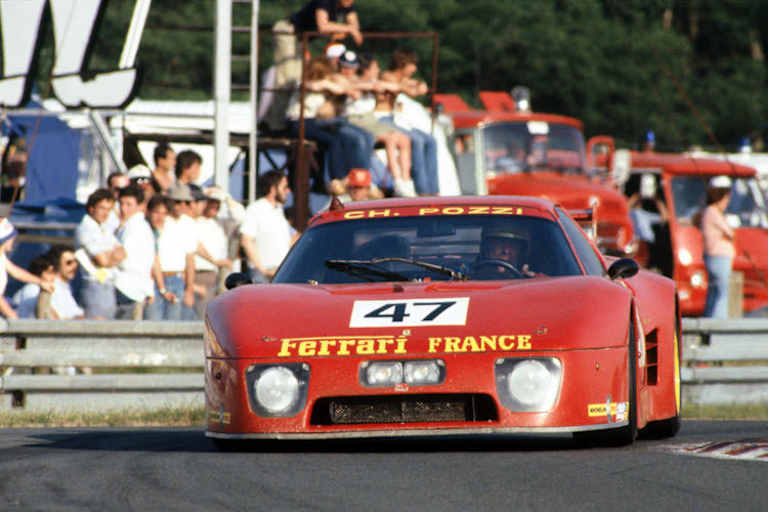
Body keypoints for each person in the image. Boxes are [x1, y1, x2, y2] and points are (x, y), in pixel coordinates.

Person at [336, 51, 415, 196]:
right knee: (390, 139)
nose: (349, 71)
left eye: (352, 67)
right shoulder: (344, 79)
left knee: (404, 139)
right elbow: (356, 86)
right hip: (355, 119)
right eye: (346, 67)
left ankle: (406, 180)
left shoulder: (371, 82)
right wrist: (374, 86)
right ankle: (397, 182)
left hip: (370, 118)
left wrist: (407, 87)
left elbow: (382, 85)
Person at [378, 49, 439, 196]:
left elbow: (416, 84)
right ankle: (421, 190)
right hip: (381, 118)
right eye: (412, 65)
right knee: (417, 141)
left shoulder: (401, 79)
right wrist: (415, 88)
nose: (414, 69)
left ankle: (433, 190)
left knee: (430, 141)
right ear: (402, 64)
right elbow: (407, 89)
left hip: (393, 119)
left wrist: (420, 85)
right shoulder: (387, 76)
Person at [147, 183, 197, 320]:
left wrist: (189, 289)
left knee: (173, 326)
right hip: (153, 280)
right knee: (152, 325)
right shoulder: (159, 220)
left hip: (177, 279)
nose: (182, 205)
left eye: (186, 202)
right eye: (177, 201)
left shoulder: (189, 224)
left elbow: (190, 259)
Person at [74, 188, 126, 319]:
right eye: (102, 208)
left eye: (109, 209)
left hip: (109, 285)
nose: (106, 213)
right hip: (95, 286)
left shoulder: (104, 228)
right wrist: (110, 256)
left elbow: (123, 253)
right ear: (91, 208)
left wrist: (109, 257)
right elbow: (102, 261)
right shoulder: (85, 229)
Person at [240, 171, 299, 283]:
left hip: (281, 273)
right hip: (263, 275)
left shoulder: (278, 211)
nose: (288, 191)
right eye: (284, 187)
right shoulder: (256, 209)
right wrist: (262, 270)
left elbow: (293, 239)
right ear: (273, 189)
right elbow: (246, 240)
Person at [113, 184, 155, 320]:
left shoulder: (134, 227)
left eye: (129, 204)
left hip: (127, 288)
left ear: (140, 206)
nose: (124, 209)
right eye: (121, 204)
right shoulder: (131, 225)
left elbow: (124, 259)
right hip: (134, 288)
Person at [0, 219, 54, 318]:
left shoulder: (1, 257)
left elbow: (16, 272)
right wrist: (15, 320)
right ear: (5, 239)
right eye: (12, 237)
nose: (14, 240)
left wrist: (40, 282)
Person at [192, 188, 232, 317]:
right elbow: (195, 246)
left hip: (215, 274)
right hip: (199, 272)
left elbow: (239, 215)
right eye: (212, 202)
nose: (215, 207)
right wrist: (214, 261)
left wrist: (226, 197)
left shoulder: (219, 224)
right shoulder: (195, 222)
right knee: (200, 314)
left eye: (218, 204)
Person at [701, 176, 735, 319]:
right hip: (719, 257)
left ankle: (708, 320)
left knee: (714, 292)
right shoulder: (713, 212)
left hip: (713, 256)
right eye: (726, 198)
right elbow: (730, 232)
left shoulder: (708, 212)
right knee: (722, 293)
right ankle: (718, 324)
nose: (727, 202)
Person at [38, 245, 85, 320]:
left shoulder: (65, 287)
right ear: (57, 265)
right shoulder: (48, 288)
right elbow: (54, 320)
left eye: (76, 262)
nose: (75, 266)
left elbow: (77, 314)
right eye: (69, 263)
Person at [11, 254, 56, 319]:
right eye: (49, 273)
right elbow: (42, 311)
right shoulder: (31, 288)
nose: (53, 277)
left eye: (54, 273)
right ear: (38, 273)